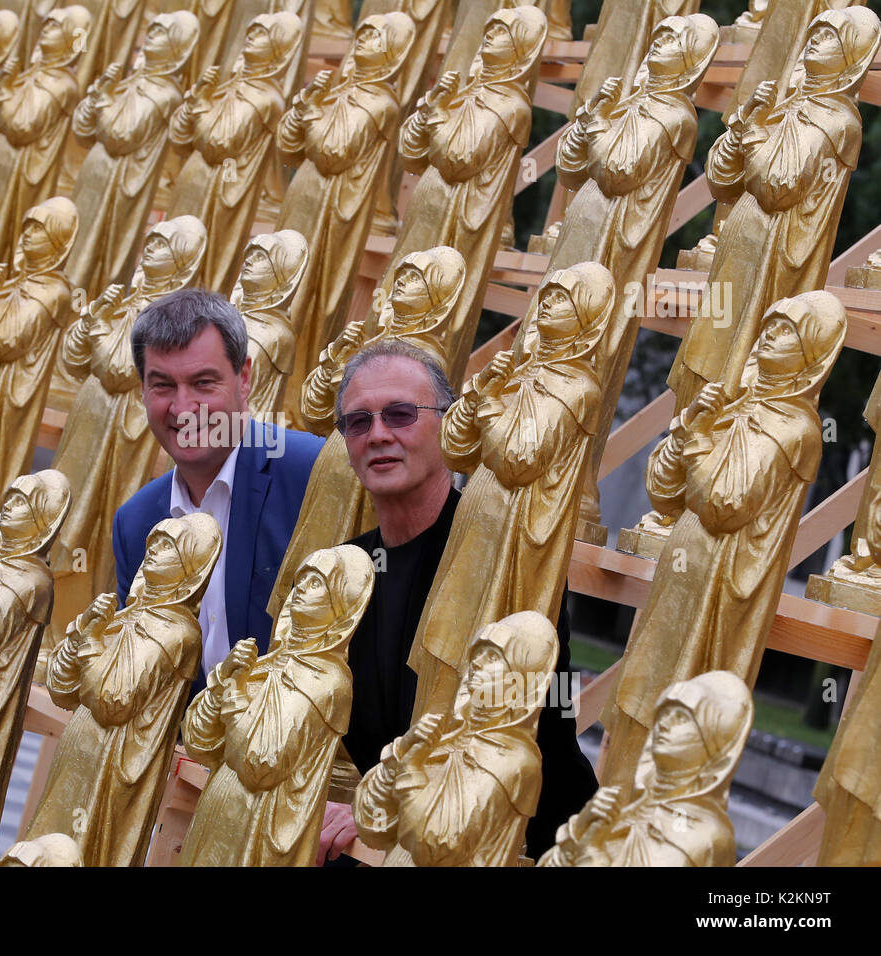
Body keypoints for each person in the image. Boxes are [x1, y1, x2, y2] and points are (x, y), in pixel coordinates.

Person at [314, 340, 597, 864]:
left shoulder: (505, 564)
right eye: (358, 422)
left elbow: (540, 727)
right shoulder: (345, 569)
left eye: (400, 414)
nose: (378, 434)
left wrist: (380, 808)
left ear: (447, 423)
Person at [111, 289, 324, 691]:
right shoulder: (134, 522)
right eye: (163, 386)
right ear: (142, 389)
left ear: (243, 378)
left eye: (202, 382)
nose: (184, 407)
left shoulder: (312, 474)